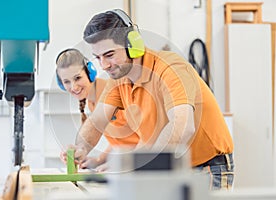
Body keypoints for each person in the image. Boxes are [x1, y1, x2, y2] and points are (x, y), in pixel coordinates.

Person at [61, 9, 234, 190]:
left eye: (110, 55)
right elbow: (97, 121)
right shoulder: (119, 79)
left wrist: (135, 164)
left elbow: (183, 126)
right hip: (169, 166)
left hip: (207, 166)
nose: (104, 65)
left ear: (132, 45)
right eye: (98, 58)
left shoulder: (170, 68)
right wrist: (81, 148)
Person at [56, 48, 139, 171]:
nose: (73, 86)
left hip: (145, 160)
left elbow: (143, 136)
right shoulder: (92, 102)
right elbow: (120, 138)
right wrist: (100, 160)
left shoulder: (112, 94)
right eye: (66, 81)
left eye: (78, 78)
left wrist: (121, 163)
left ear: (90, 73)